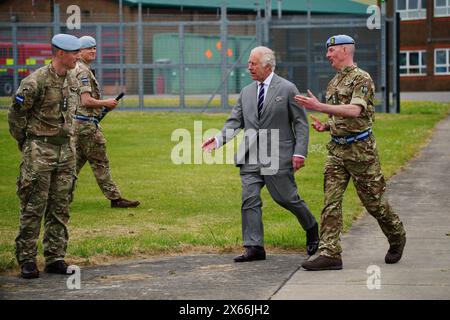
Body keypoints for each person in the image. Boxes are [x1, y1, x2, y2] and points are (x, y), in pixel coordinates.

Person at [295, 35, 406, 271]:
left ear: (345, 50)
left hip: (361, 152)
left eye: (331, 51)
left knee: (374, 203)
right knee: (331, 201)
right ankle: (330, 253)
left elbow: (355, 111)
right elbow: (339, 116)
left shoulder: (362, 79)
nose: (327, 55)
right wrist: (326, 125)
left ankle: (397, 235)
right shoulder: (334, 82)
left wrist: (319, 106)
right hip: (337, 150)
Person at [202, 46, 319, 262]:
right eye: (248, 63)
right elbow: (234, 121)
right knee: (250, 199)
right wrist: (218, 139)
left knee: (285, 198)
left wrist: (299, 153)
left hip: (278, 155)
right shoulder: (246, 92)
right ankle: (254, 246)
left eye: (252, 64)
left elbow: (301, 124)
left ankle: (311, 226)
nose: (249, 68)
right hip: (250, 156)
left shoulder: (287, 89)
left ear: (267, 65)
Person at [8, 34, 81, 279]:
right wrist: (27, 144)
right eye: (74, 53)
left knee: (61, 205)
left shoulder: (73, 80)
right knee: (33, 206)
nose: (78, 57)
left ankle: (55, 257)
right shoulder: (35, 82)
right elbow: (16, 116)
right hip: (40, 151)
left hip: (66, 151)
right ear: (60, 53)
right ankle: (27, 260)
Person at [73, 36, 140, 208]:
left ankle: (57, 197)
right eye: (89, 48)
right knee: (100, 162)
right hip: (86, 127)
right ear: (79, 52)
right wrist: (106, 103)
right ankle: (115, 199)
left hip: (80, 124)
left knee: (72, 166)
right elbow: (85, 101)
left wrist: (104, 109)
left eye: (95, 48)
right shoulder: (82, 72)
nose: (93, 51)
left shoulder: (80, 69)